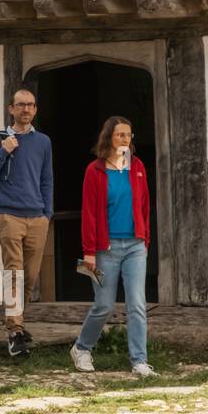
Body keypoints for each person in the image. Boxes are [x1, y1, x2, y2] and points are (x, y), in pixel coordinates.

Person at [70, 116, 155, 377]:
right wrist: (88, 252)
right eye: (120, 135)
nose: (125, 139)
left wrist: (145, 239)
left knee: (137, 305)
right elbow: (89, 214)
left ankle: (139, 360)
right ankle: (82, 348)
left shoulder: (137, 167)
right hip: (105, 249)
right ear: (108, 138)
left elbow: (144, 206)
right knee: (104, 305)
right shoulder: (94, 171)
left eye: (129, 135)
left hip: (135, 246)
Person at [0, 89, 53, 357]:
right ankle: (15, 331)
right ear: (11, 109)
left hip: (37, 216)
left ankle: (17, 320)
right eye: (21, 105)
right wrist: (3, 153)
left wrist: (47, 213)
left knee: (29, 276)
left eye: (31, 105)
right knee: (14, 272)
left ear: (35, 109)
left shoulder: (43, 142)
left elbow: (47, 179)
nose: (26, 109)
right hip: (9, 215)